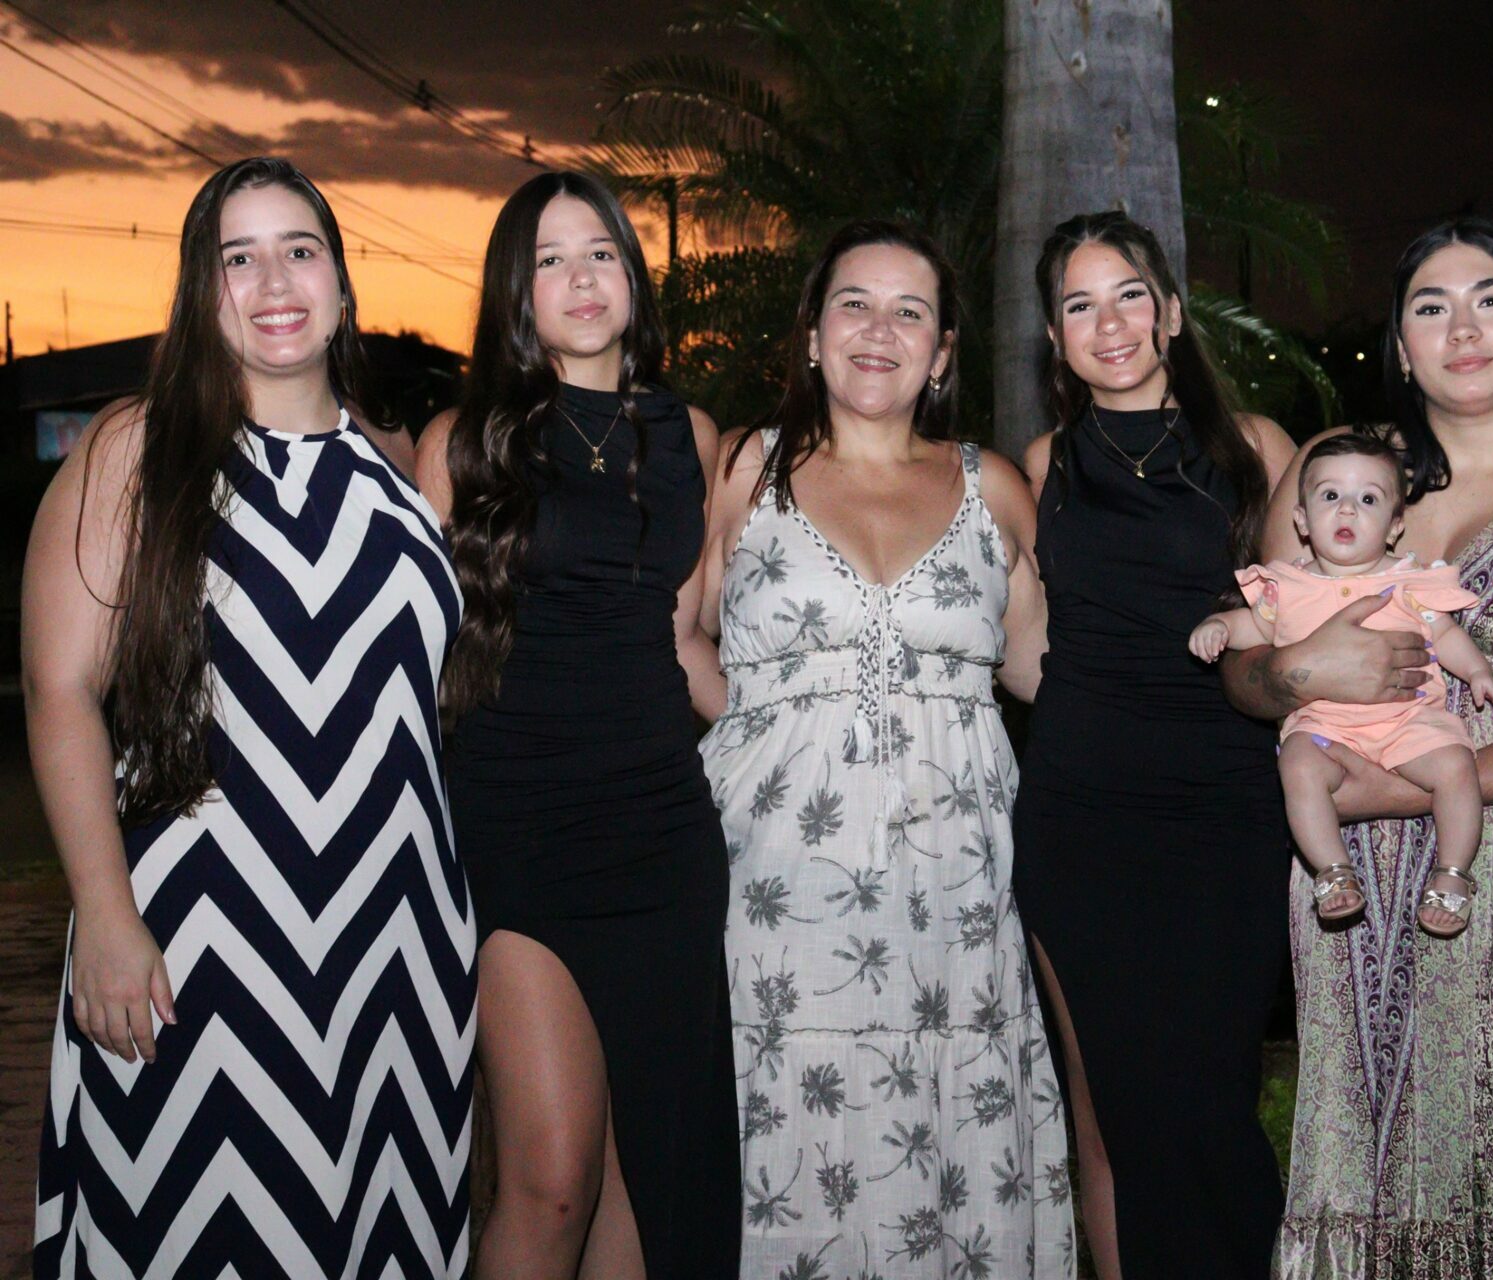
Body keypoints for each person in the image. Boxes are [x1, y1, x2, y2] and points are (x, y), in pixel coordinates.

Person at [27, 157, 473, 1277]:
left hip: (400, 948)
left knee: (379, 1230)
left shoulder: (396, 467)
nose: (274, 282)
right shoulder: (138, 449)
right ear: (201, 291)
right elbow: (60, 691)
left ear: (342, 283)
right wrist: (106, 915)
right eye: (239, 258)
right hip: (204, 946)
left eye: (299, 250)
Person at [1220, 217, 1493, 1277]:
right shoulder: (1334, 476)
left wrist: (1397, 793)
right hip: (1350, 894)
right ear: (1401, 344)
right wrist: (1295, 672)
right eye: (1431, 306)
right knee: (1369, 1168)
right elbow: (1243, 670)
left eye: (1490, 299)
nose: (1462, 328)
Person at [697, 220, 1074, 1278]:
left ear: (943, 350)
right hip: (772, 876)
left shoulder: (994, 486)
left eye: (911, 312)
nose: (879, 330)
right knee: (781, 1123)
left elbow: (1046, 673)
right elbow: (675, 636)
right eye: (854, 304)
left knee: (943, 1117)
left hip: (954, 884)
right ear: (813, 334)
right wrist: (761, 726)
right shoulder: (747, 467)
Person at [416, 171, 738, 1279]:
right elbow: (415, 659)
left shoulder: (691, 435)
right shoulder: (462, 441)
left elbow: (686, 641)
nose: (580, 277)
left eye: (599, 251)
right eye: (549, 260)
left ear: (632, 275)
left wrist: (808, 742)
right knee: (552, 1179)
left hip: (663, 830)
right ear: (516, 292)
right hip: (517, 828)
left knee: (648, 1180)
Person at [1011, 210, 1296, 1279]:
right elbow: (1029, 648)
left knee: (1213, 1098)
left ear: (1171, 312)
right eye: (1080, 305)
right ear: (1055, 337)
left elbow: (1302, 625)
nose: (1110, 323)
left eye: (1129, 294)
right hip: (1078, 817)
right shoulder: (1042, 464)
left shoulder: (1257, 448)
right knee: (1108, 1110)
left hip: (1227, 810)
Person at [1190, 432, 1493, 937]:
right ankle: (1332, 871)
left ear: (1395, 526)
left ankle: (1452, 872)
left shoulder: (1407, 582)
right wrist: (1220, 627)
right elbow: (1255, 628)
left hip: (1407, 720)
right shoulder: (1286, 586)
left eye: (1368, 499)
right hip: (1326, 727)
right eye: (1330, 495)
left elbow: (1444, 634)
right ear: (1301, 520)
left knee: (1455, 765)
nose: (1347, 510)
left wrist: (1476, 671)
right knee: (1297, 764)